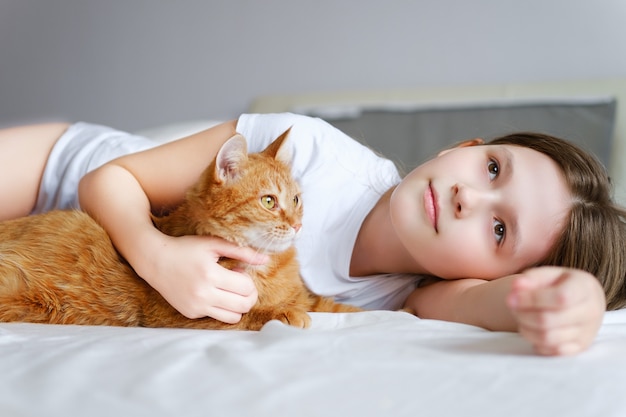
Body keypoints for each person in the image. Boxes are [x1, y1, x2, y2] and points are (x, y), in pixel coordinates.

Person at [1, 113, 623, 356]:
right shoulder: (312, 148)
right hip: (59, 175)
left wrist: (570, 297)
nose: (470, 195)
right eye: (492, 170)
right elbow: (110, 179)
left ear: (487, 275)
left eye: (498, 228)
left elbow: (493, 308)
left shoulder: (410, 297)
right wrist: (158, 253)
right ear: (466, 147)